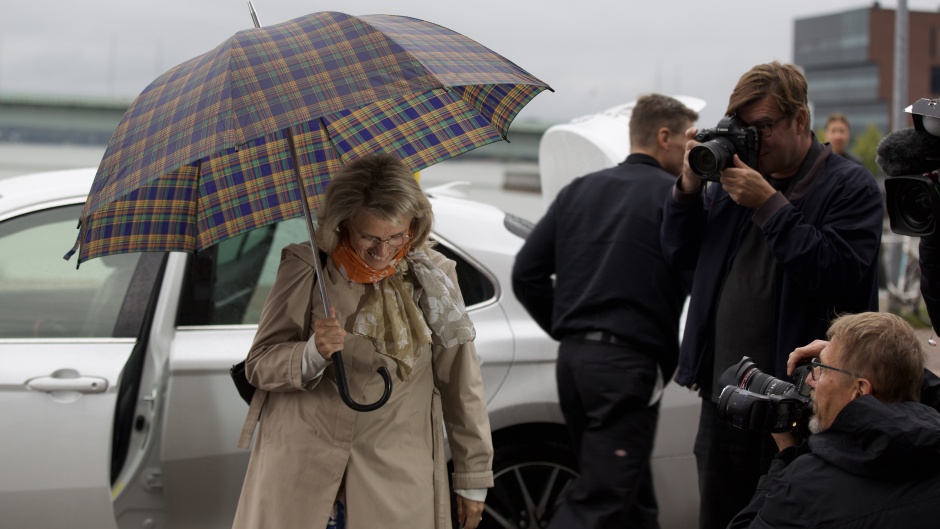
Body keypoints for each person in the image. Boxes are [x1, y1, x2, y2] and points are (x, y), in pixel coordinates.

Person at [659, 61, 884, 529]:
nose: (753, 141)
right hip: (725, 400)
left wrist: (769, 204)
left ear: (800, 119)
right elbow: (679, 254)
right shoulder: (729, 183)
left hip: (805, 409)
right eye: (745, 129)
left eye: (764, 127)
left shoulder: (850, 186)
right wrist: (686, 188)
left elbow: (836, 275)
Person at [231, 153, 493, 529]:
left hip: (396, 476)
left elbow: (461, 384)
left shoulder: (435, 279)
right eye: (369, 236)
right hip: (300, 473)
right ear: (342, 225)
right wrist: (311, 353)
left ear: (414, 227)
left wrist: (474, 479)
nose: (383, 251)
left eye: (396, 236)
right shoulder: (306, 267)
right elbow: (259, 364)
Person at [512, 93, 699, 529]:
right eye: (687, 140)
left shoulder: (579, 189)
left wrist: (569, 329)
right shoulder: (673, 201)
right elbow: (699, 280)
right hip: (625, 367)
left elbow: (527, 275)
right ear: (663, 135)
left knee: (631, 497)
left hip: (575, 365)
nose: (693, 150)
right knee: (601, 498)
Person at [728, 311, 940, 528]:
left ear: (859, 389)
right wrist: (885, 363)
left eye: (822, 369)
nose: (810, 379)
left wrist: (785, 456)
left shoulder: (805, 486)